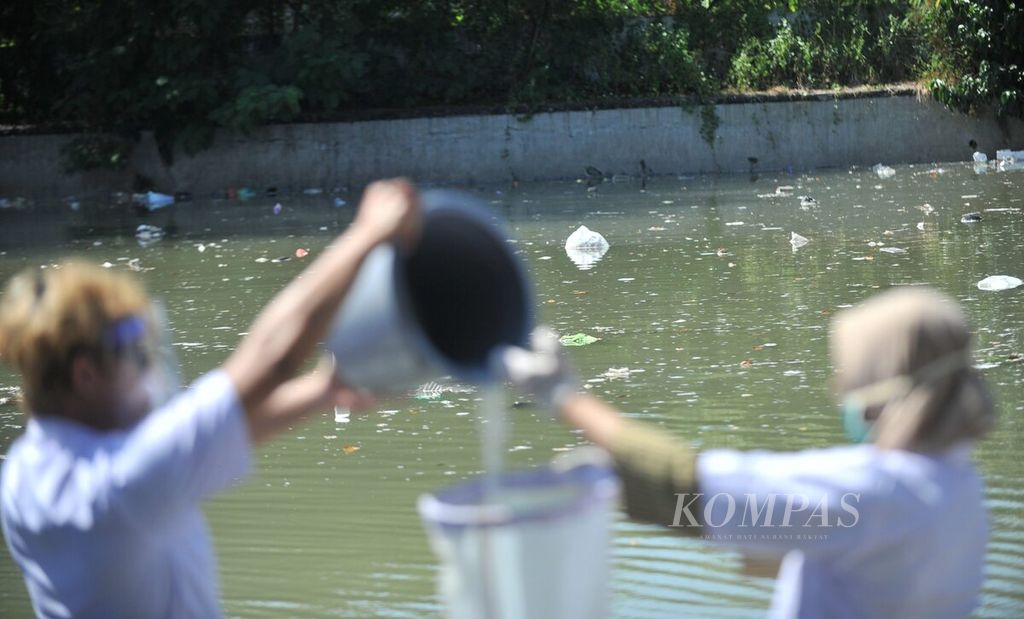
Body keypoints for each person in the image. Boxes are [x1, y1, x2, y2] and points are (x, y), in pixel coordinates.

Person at [0, 179, 420, 618]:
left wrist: (326, 390)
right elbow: (272, 361)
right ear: (85, 376)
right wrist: (367, 235)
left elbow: (210, 437)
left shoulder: (25, 474)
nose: (148, 369)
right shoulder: (121, 487)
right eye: (136, 355)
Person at [502, 286, 995, 618]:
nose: (837, 389)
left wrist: (566, 397)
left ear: (886, 391)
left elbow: (685, 488)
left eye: (852, 377)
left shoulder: (872, 492)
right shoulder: (958, 487)